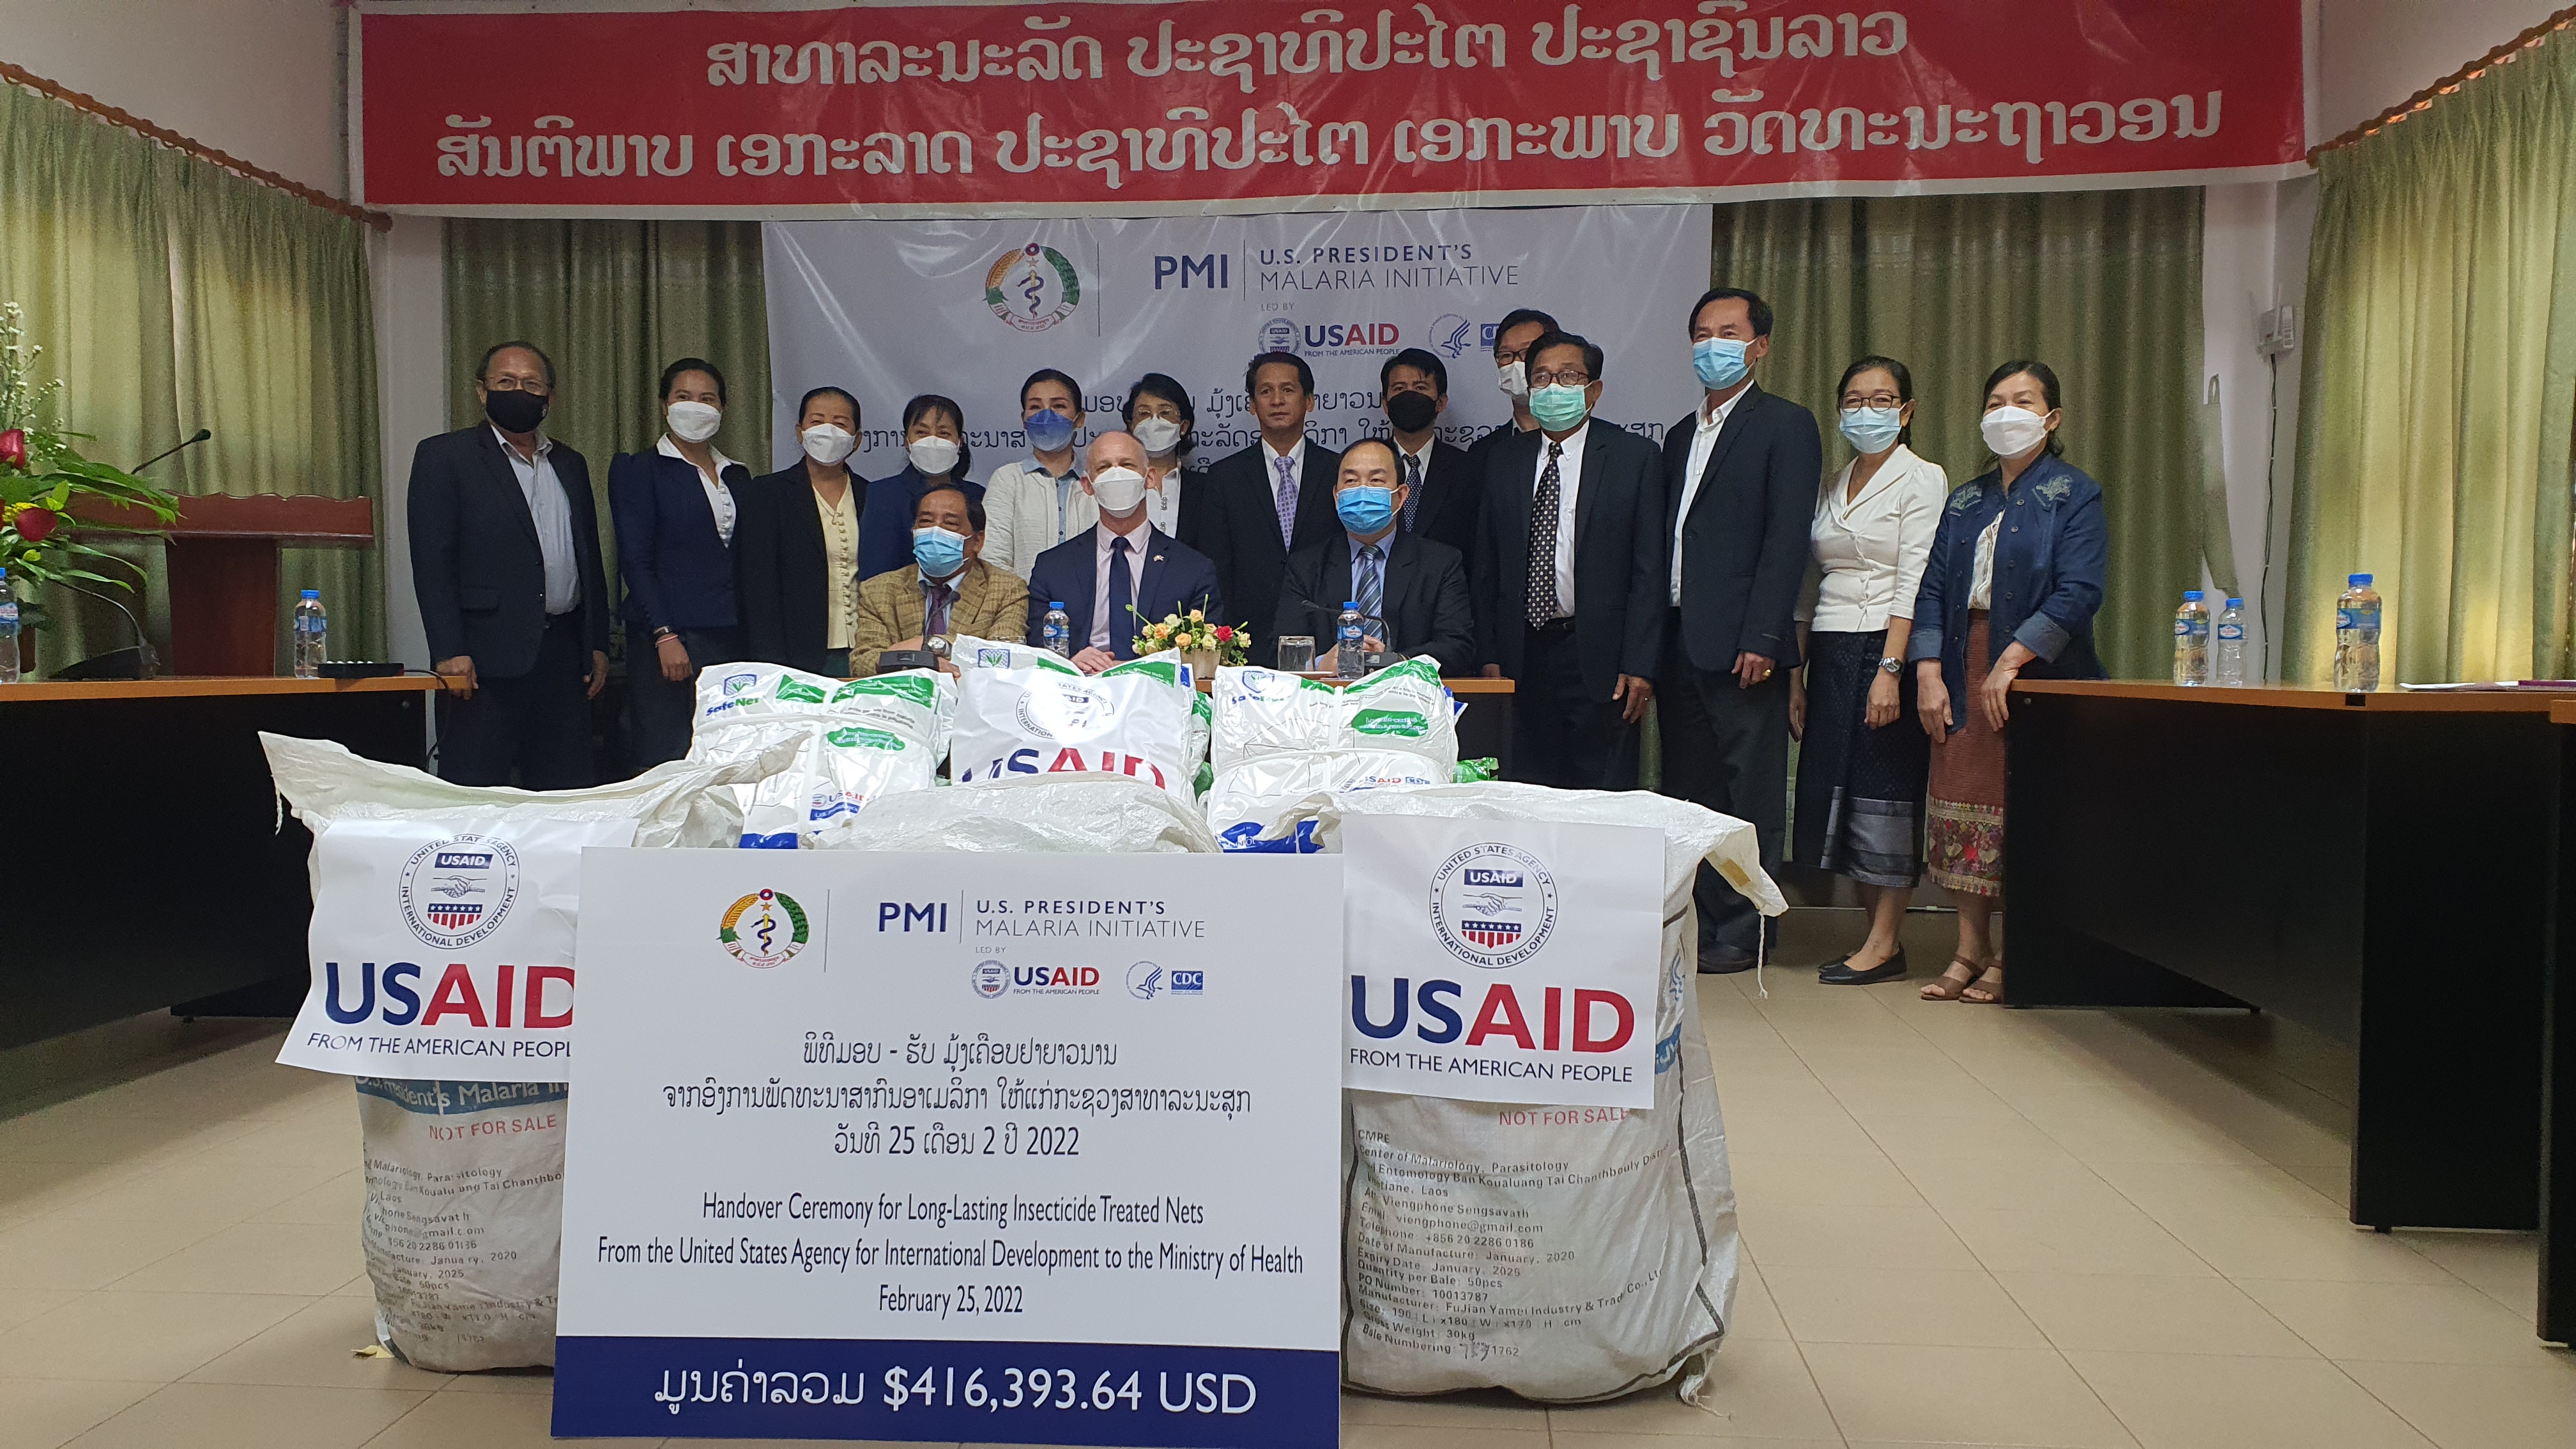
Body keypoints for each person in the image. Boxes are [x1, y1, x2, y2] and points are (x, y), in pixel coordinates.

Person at [1910, 360, 2106, 1004]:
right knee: (1961, 807)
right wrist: (1929, 670)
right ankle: (1971, 948)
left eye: (2022, 400)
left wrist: (2011, 660)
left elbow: (2079, 591)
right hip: (1961, 662)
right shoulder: (1966, 499)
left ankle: (2020, 950)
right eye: (1995, 400)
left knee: (2017, 811)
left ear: (2051, 418)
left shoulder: (2075, 494)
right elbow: (1935, 585)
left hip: (2035, 669)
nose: (2006, 412)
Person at [1657, 288, 1823, 974]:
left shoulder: (1786, 425)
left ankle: (1750, 930)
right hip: (1679, 638)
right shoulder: (1676, 435)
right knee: (1692, 790)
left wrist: (1764, 636)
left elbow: (1786, 541)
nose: (1711, 344)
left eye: (1727, 332)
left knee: (1747, 793)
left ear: (1760, 346)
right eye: (1701, 332)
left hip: (1745, 644)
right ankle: (1701, 923)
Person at [1791, 357, 1947, 986]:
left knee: (1886, 791)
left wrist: (1892, 667)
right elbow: (1810, 580)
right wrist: (1796, 675)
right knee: (1842, 793)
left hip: (1888, 646)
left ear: (1906, 411)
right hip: (1830, 646)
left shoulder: (1923, 478)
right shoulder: (1835, 479)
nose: (1867, 411)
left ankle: (1885, 942)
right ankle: (1871, 934)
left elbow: (1917, 577)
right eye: (1854, 400)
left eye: (1882, 399)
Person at [407, 341, 611, 788]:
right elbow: (432, 562)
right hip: (482, 659)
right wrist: (448, 651)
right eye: (506, 382)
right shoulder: (445, 457)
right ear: (482, 391)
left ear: (550, 397)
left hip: (562, 657)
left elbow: (587, 558)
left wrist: (596, 642)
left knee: (565, 793)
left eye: (531, 384)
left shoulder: (570, 464)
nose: (519, 391)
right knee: (477, 788)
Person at [1470, 330, 1664, 789]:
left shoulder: (1633, 457)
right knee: (1528, 790)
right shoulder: (1504, 460)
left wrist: (1641, 664)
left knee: (1602, 796)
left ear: (1593, 390)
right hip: (1522, 657)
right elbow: (1487, 565)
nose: (1553, 387)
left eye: (1568, 376)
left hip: (1600, 658)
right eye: (1541, 377)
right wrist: (1490, 654)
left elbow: (1649, 570)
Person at [608, 356, 755, 767]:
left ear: (722, 408)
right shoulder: (638, 470)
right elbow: (635, 559)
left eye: (707, 398)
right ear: (664, 405)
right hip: (670, 639)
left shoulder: (738, 475)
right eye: (684, 397)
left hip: (730, 636)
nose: (696, 406)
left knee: (723, 752)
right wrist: (664, 633)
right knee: (666, 751)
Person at [1025, 430, 1224, 673]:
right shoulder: (1053, 568)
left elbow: (1204, 658)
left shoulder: (1192, 569)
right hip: (1076, 692)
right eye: (1104, 467)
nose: (1116, 474)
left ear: (1149, 478)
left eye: (1127, 465)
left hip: (1156, 697)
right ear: (1088, 485)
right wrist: (1069, 661)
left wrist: (1143, 667)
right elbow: (1036, 648)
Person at [1274, 437, 1476, 675]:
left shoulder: (1440, 564)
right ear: (1337, 497)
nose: (1362, 490)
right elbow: (1280, 648)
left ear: (1400, 496)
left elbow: (1458, 648)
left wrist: (1396, 662)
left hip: (1408, 702)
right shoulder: (1306, 567)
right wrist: (1320, 664)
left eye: (1376, 480)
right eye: (1351, 481)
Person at [1195, 352, 1341, 666]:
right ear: (1251, 405)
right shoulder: (1225, 477)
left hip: (1325, 639)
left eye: (1288, 390)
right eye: (1265, 391)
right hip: (1248, 640)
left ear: (1310, 401)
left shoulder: (1338, 470)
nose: (1277, 400)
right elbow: (1216, 564)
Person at [736, 386, 865, 677]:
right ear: (800, 432)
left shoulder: (871, 495)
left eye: (840, 424)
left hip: (864, 649)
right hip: (795, 654)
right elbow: (758, 586)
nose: (828, 431)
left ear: (856, 440)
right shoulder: (767, 493)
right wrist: (769, 662)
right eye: (817, 421)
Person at [851, 484, 1029, 668]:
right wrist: (925, 662)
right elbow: (863, 662)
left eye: (950, 524)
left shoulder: (1006, 589)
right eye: (926, 522)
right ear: (914, 532)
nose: (936, 531)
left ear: (977, 540)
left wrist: (925, 645)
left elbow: (1004, 655)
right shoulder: (878, 591)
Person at [857, 394, 980, 581]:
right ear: (906, 441)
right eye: (922, 433)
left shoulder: (977, 495)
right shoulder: (882, 494)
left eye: (944, 433)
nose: (933, 441)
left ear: (959, 442)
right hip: (899, 605)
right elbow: (875, 574)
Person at [981, 369, 1087, 580]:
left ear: (1079, 419)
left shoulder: (1096, 481)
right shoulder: (1007, 479)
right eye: (1035, 407)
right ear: (1024, 420)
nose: (1046, 415)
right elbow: (992, 558)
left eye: (1059, 406)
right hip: (1023, 608)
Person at [1380, 348, 1481, 559]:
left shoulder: (1469, 470)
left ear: (1441, 403)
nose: (1409, 395)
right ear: (1385, 404)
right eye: (1399, 388)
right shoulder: (1364, 467)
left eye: (1420, 387)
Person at [1463, 307, 1558, 477]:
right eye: (1506, 355)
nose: (1517, 363)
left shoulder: (1604, 444)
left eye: (1528, 353)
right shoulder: (1484, 454)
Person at [1124, 372, 1197, 542]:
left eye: (1165, 413)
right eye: (1143, 414)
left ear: (1183, 427)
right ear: (1131, 426)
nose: (1154, 421)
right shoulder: (1118, 484)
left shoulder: (1207, 489)